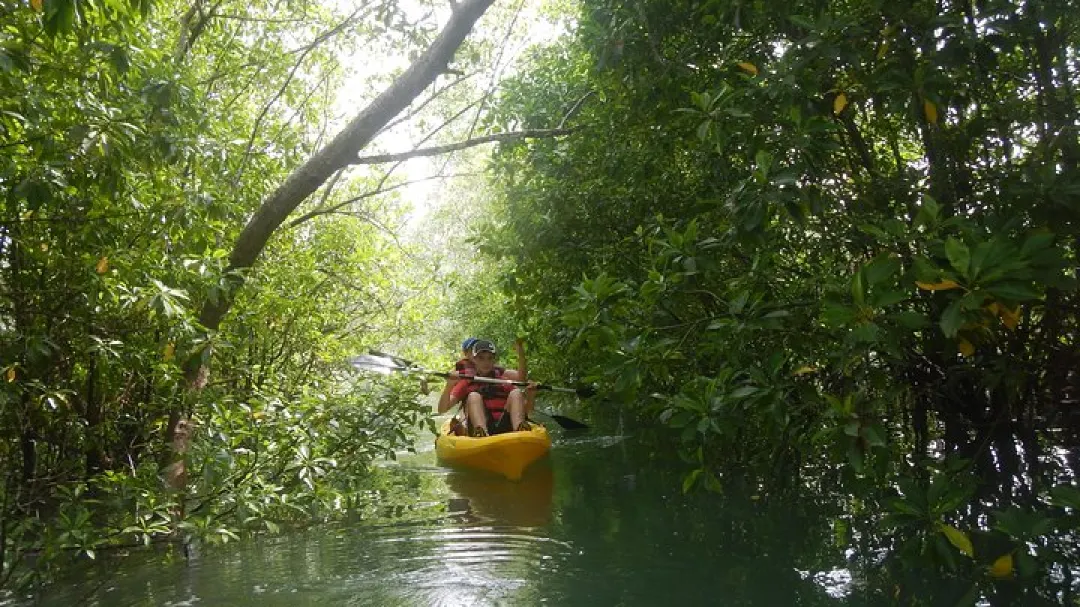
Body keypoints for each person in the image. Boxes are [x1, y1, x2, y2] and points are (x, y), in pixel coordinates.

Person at [439, 339, 536, 437]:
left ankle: (520, 430)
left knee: (516, 392)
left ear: (494, 360)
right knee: (474, 396)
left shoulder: (503, 380)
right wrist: (449, 386)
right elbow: (442, 409)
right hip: (481, 430)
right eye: (481, 358)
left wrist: (531, 394)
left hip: (505, 427)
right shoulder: (466, 382)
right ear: (474, 359)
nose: (486, 362)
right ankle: (481, 433)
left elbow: (528, 411)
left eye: (490, 358)